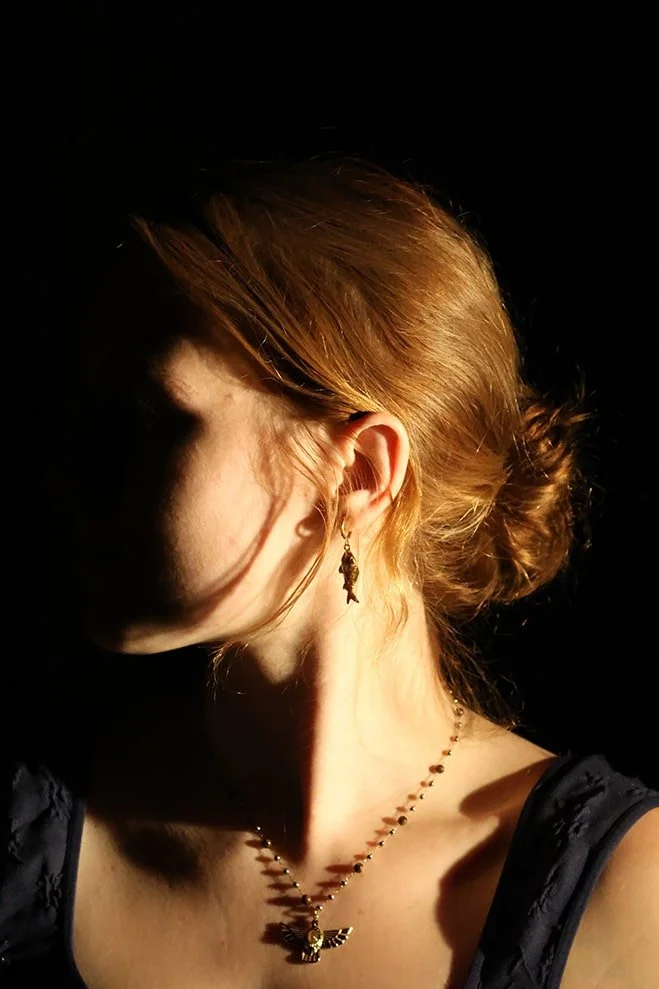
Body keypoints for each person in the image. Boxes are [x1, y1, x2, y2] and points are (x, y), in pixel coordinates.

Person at [2, 157, 657, 988]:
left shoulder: (624, 893)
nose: (67, 474)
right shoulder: (27, 835)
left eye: (146, 418)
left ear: (360, 474)